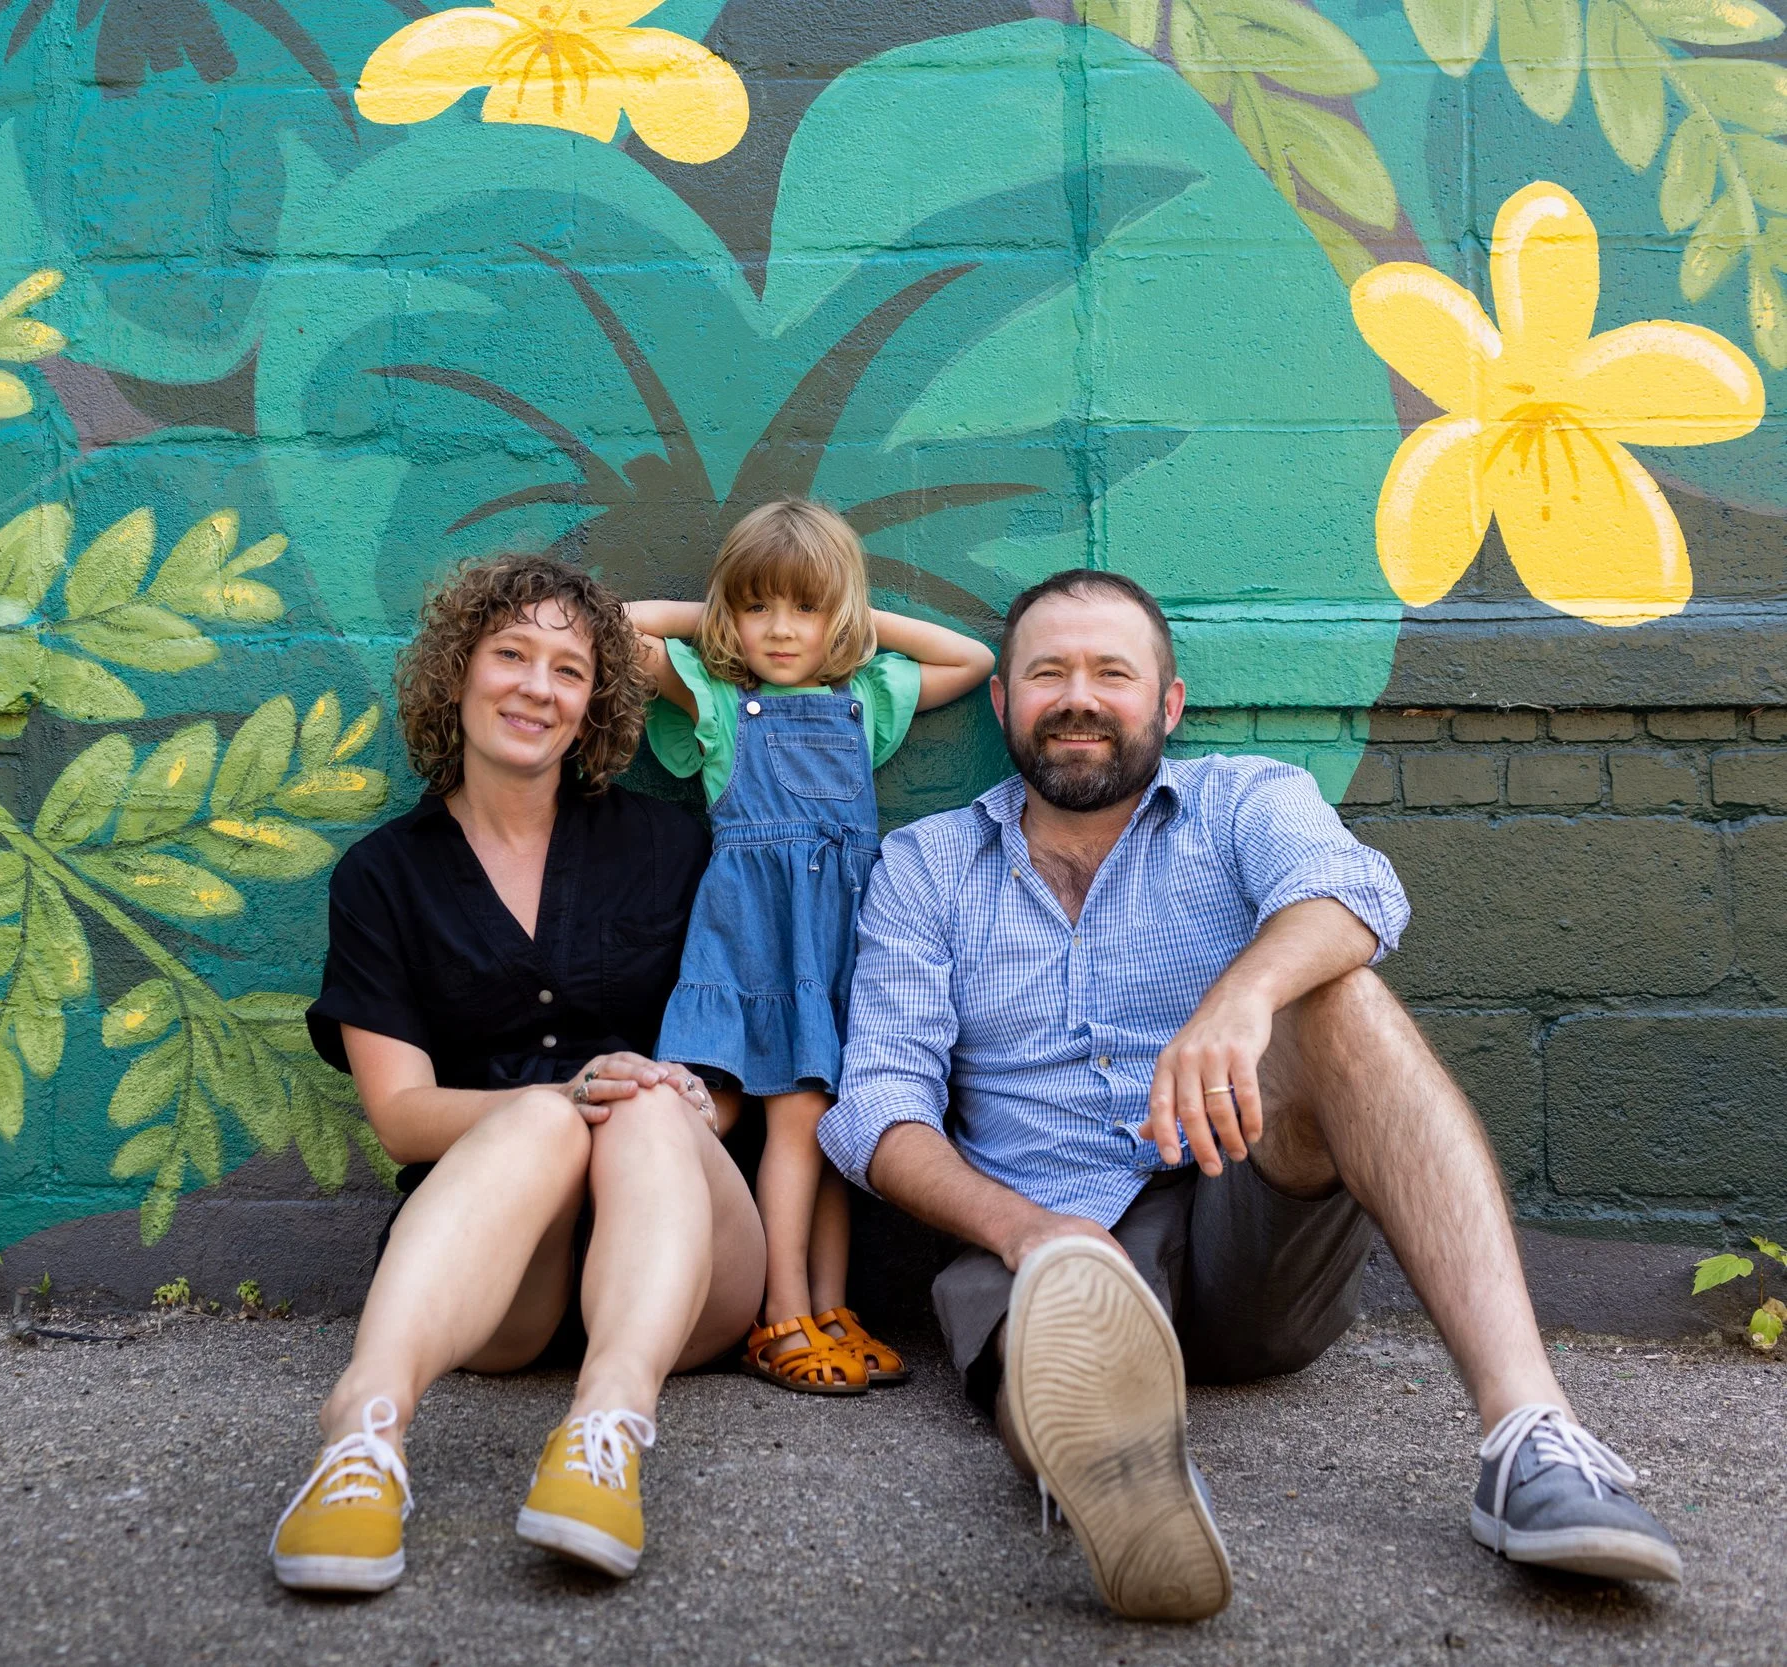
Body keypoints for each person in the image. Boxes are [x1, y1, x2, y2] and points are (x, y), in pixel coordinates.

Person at [819, 568, 1681, 1621]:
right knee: (1047, 1321)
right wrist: (1027, 1229)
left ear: (1167, 704)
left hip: (1244, 1218)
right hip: (1047, 1236)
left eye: (1111, 672)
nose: (1078, 696)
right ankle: (1114, 1473)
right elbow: (878, 1110)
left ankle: (1530, 1441)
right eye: (1047, 672)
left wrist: (1243, 995)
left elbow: (1356, 895)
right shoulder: (925, 865)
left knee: (1342, 996)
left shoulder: (1243, 799)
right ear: (1003, 704)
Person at [271, 552, 765, 1594]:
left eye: (570, 669)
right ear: (457, 674)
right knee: (550, 1116)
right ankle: (361, 1436)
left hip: (690, 1262)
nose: (536, 686)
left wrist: (674, 1096)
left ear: (594, 707)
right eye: (510, 654)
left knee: (636, 1101)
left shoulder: (670, 843)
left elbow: (733, 1082)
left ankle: (605, 1434)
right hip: (500, 1289)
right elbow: (402, 1117)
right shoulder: (382, 876)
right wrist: (556, 1099)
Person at [628, 499, 992, 1395]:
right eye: (758, 607)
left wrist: (856, 625)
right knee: (794, 1114)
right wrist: (708, 622)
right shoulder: (719, 700)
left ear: (842, 619)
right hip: (758, 940)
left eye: (806, 608)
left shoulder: (862, 697)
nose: (782, 630)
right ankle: (780, 1311)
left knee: (835, 1119)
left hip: (843, 944)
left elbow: (974, 658)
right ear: (731, 617)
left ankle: (831, 1308)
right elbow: (613, 627)